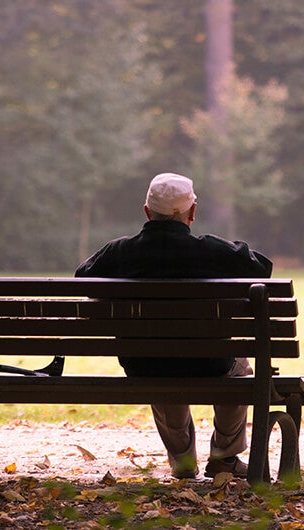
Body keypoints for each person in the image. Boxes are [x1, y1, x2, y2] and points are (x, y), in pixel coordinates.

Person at [75, 173, 272, 479]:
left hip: (146, 365)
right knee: (238, 367)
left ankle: (181, 459)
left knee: (161, 362)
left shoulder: (120, 252)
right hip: (211, 362)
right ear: (192, 213)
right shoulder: (211, 251)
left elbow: (82, 279)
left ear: (146, 212)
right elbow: (263, 268)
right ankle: (225, 456)